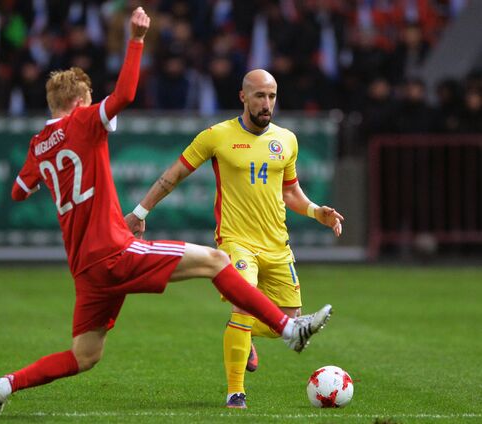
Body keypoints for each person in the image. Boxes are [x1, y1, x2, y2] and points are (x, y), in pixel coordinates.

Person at [0, 8, 332, 416]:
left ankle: (2, 386)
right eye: (90, 102)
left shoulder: (39, 144)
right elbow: (125, 95)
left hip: (84, 268)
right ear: (79, 102)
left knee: (85, 355)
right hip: (113, 250)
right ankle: (290, 330)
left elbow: (19, 191)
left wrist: (45, 172)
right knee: (216, 260)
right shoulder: (84, 121)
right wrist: (136, 40)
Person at [125, 69, 343, 409]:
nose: (266, 103)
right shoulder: (216, 136)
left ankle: (243, 334)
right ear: (243, 97)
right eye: (259, 96)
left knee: (289, 317)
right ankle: (235, 392)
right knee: (244, 305)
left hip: (277, 244)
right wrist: (140, 213)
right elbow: (174, 174)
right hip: (236, 241)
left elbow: (291, 192)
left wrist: (317, 212)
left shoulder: (287, 139)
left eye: (271, 96)